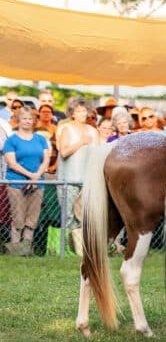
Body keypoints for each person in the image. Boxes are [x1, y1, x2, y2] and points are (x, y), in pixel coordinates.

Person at [3, 109, 52, 256]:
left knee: (32, 217)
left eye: (30, 119)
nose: (27, 121)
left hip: (37, 183)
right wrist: (30, 175)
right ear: (19, 120)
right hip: (17, 183)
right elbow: (11, 162)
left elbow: (46, 159)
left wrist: (37, 176)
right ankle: (15, 249)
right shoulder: (11, 140)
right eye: (24, 118)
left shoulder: (40, 139)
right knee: (18, 217)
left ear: (33, 121)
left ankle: (26, 249)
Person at [57, 98, 100, 251]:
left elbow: (98, 154)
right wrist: (81, 142)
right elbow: (63, 152)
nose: (82, 114)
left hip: (88, 181)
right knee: (68, 216)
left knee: (86, 216)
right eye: (79, 111)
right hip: (68, 179)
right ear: (72, 113)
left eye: (84, 111)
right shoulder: (67, 128)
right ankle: (68, 250)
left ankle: (84, 249)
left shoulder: (93, 131)